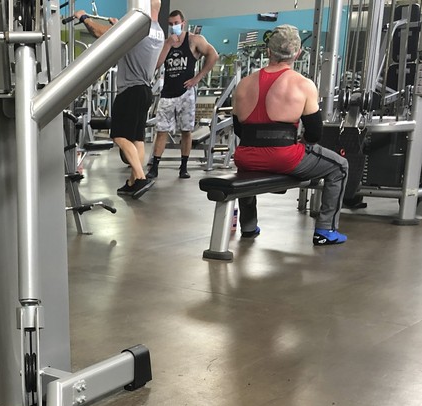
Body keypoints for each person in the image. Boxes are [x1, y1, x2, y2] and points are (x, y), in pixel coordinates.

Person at [233, 25, 347, 245]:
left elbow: (239, 130)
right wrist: (300, 144)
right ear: (297, 53)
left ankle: (248, 226)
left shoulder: (243, 84)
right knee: (340, 166)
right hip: (284, 158)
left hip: (245, 155)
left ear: (268, 52)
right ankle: (325, 230)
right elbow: (314, 133)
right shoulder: (303, 84)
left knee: (245, 165)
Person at [74, 0, 164, 199]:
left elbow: (99, 33)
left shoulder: (138, 28)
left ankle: (140, 178)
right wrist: (119, 28)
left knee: (119, 136)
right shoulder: (159, 31)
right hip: (145, 91)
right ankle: (133, 182)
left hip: (130, 91)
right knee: (137, 139)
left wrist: (83, 17)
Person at [148, 10, 218, 180]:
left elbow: (213, 55)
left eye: (176, 23)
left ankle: (184, 167)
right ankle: (155, 167)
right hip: (167, 94)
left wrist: (197, 78)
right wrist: (167, 45)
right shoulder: (167, 43)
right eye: (171, 24)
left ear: (183, 23)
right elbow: (156, 65)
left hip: (186, 93)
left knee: (186, 131)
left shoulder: (194, 40)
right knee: (161, 131)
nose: (174, 27)